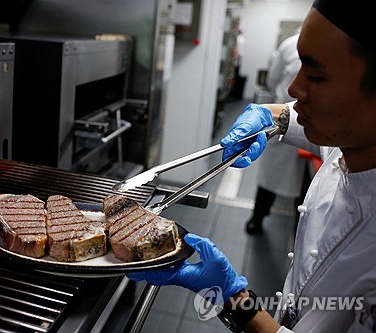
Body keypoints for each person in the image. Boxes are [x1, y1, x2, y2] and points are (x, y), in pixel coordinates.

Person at [128, 0, 376, 332]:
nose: (293, 88)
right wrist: (271, 115)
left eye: (316, 76)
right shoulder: (352, 139)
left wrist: (235, 299)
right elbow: (301, 116)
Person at [246, 32, 308, 234]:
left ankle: (298, 231)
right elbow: (273, 80)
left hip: (311, 124)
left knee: (307, 191)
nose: (296, 87)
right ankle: (258, 217)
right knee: (271, 176)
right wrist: (272, 112)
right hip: (284, 118)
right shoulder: (290, 44)